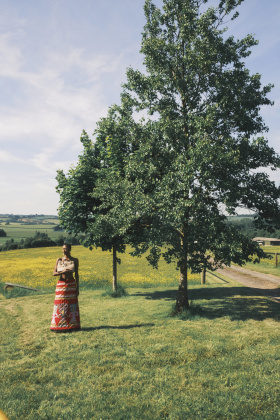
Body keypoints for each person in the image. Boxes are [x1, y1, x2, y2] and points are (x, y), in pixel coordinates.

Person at [50, 243, 80, 332]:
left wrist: (77, 287)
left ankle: (72, 325)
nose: (64, 250)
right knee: (60, 303)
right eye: (63, 249)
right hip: (61, 284)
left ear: (70, 249)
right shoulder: (59, 260)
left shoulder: (75, 260)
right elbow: (54, 273)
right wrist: (63, 271)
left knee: (71, 303)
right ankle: (59, 325)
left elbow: (77, 274)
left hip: (71, 284)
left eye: (66, 249)